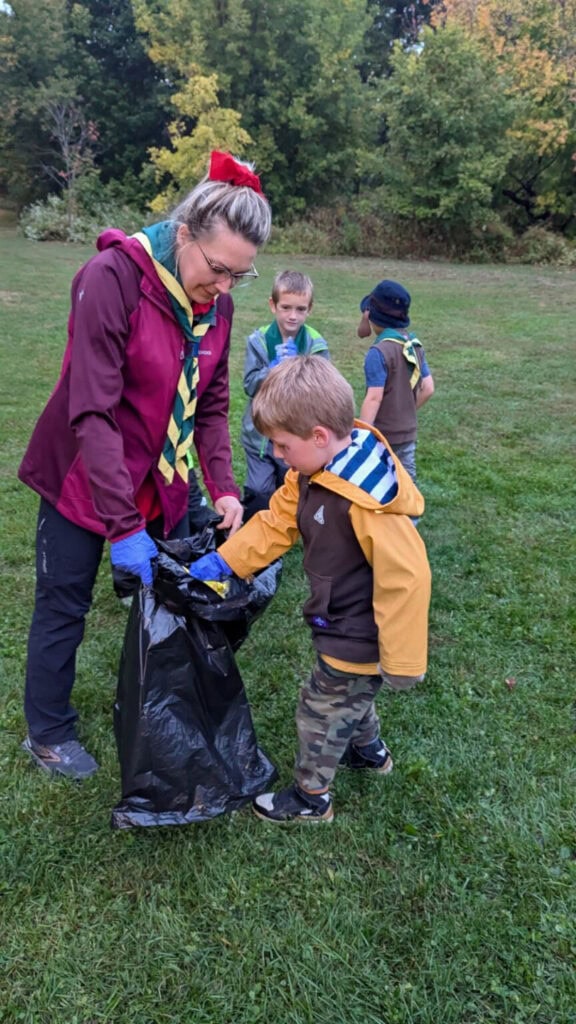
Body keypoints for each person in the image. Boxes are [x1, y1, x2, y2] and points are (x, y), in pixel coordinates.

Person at [18, 150, 272, 780]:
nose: (224, 287)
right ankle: (47, 731)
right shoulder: (111, 278)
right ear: (184, 232)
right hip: (84, 474)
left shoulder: (217, 302)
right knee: (64, 602)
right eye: (218, 269)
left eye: (240, 276)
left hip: (162, 479)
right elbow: (93, 413)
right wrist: (123, 526)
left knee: (161, 601)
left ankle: (145, 702)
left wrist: (223, 487)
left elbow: (211, 405)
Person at [189, 357, 431, 824]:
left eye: (282, 445)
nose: (278, 455)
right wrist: (225, 561)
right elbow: (277, 523)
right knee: (350, 697)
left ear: (319, 436)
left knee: (320, 709)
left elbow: (408, 578)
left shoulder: (367, 501)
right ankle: (368, 751)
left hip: (357, 630)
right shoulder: (309, 474)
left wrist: (402, 661)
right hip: (337, 619)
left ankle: (310, 798)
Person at [241, 270, 330, 518]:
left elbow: (324, 390)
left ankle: (284, 535)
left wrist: (298, 371)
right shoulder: (258, 340)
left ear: (309, 309)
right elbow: (248, 384)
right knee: (259, 490)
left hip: (297, 434)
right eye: (286, 307)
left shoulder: (315, 344)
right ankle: (256, 540)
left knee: (290, 488)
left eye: (300, 309)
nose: (293, 316)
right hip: (259, 436)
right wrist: (271, 371)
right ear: (273, 305)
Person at [357, 279, 434, 484]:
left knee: (378, 481)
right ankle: (410, 516)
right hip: (407, 432)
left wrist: (363, 434)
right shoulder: (414, 345)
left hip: (382, 435)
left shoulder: (378, 352)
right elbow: (428, 388)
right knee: (406, 482)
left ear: (370, 314)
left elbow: (374, 398)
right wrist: (405, 411)